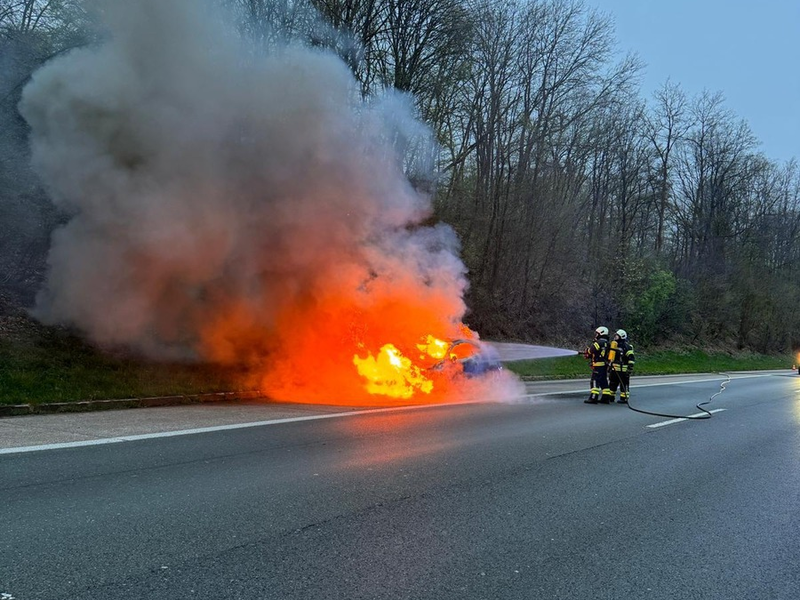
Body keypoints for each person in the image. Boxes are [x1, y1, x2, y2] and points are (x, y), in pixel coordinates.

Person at [584, 326, 613, 404]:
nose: (596, 335)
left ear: (601, 333)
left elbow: (592, 351)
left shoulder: (598, 342)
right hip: (604, 365)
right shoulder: (608, 343)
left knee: (594, 380)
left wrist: (587, 351)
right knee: (603, 381)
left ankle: (593, 397)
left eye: (597, 333)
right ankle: (606, 397)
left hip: (598, 365)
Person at [607, 329, 635, 403]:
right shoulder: (613, 346)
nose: (615, 337)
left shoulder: (627, 347)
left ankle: (624, 398)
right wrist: (609, 367)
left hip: (623, 370)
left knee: (624, 385)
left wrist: (630, 368)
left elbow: (631, 358)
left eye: (617, 336)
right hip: (614, 369)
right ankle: (611, 397)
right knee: (612, 384)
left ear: (621, 336)